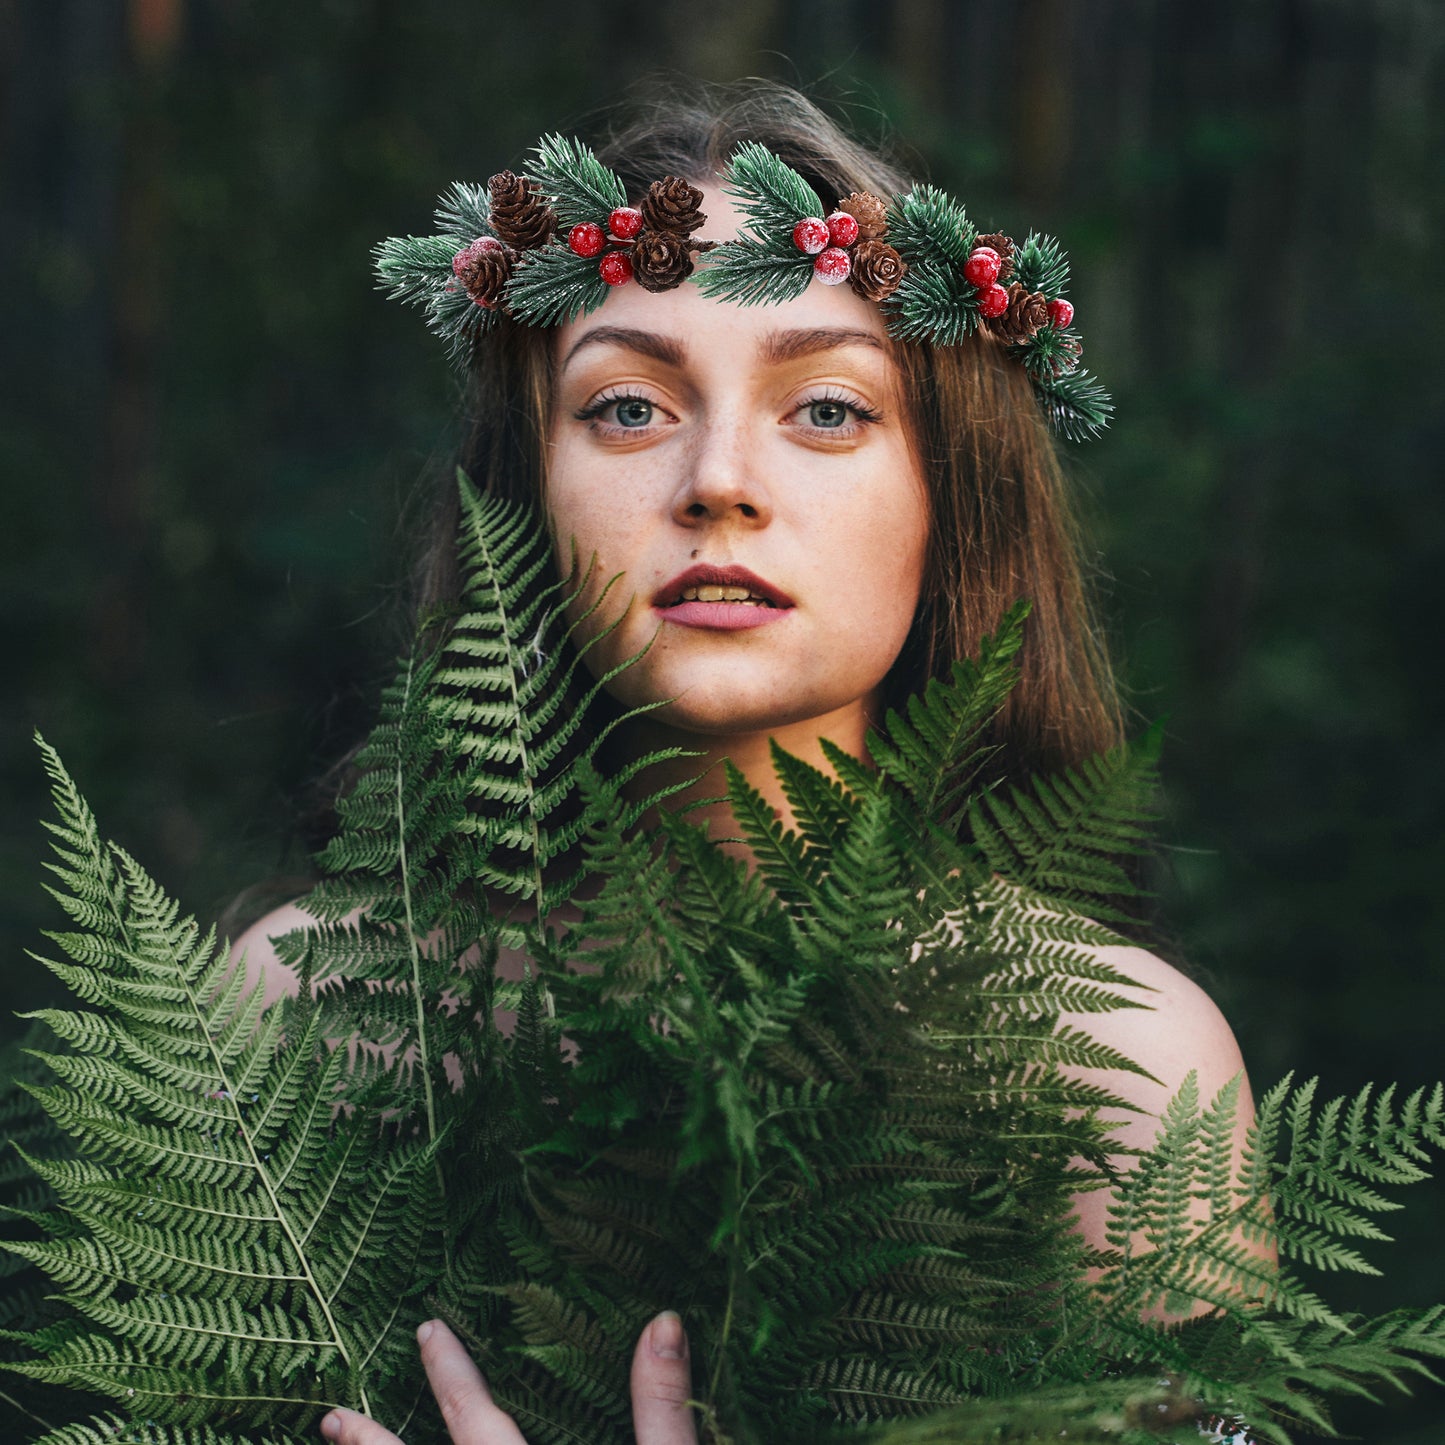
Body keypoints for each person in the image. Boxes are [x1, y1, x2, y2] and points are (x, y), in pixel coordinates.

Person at [232, 80, 1256, 1445]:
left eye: (825, 408)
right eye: (626, 409)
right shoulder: (298, 1011)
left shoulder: (1117, 1063)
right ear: (519, 495)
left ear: (953, 499)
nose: (718, 478)